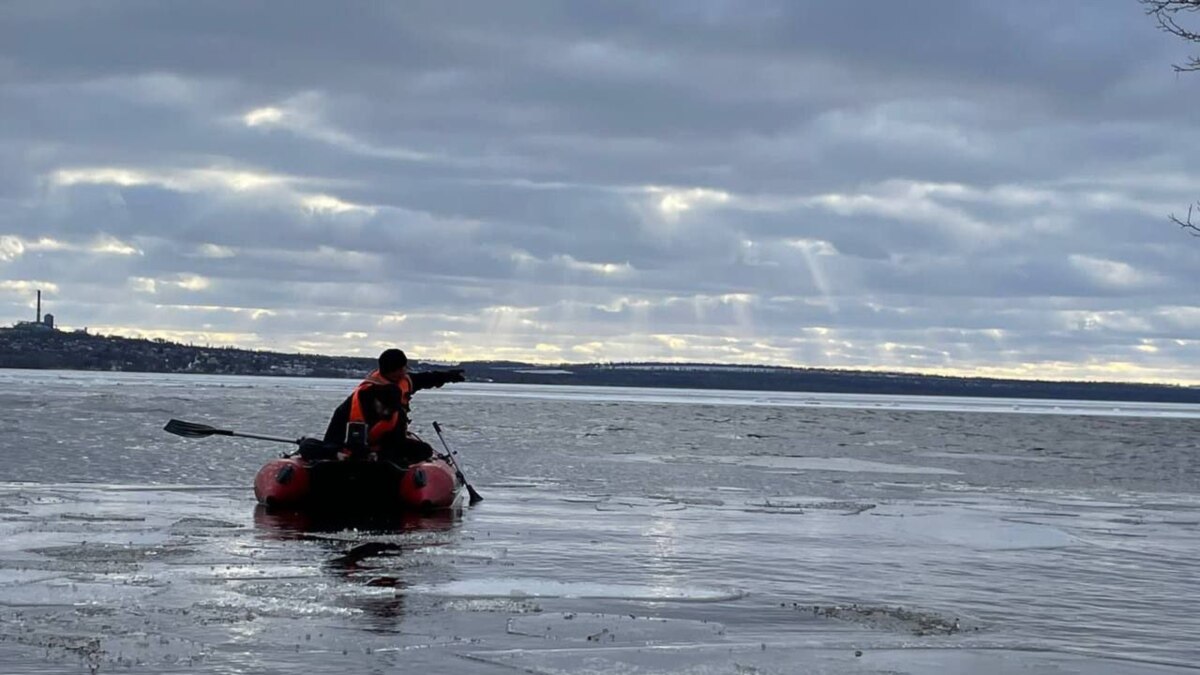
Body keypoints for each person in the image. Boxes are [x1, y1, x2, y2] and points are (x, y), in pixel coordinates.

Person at [322, 349, 465, 464]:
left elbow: (425, 378)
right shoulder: (356, 403)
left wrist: (448, 376)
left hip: (385, 446)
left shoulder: (403, 384)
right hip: (353, 448)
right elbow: (332, 439)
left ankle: (387, 462)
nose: (405, 371)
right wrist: (337, 452)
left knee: (423, 450)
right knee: (320, 447)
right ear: (395, 370)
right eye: (403, 368)